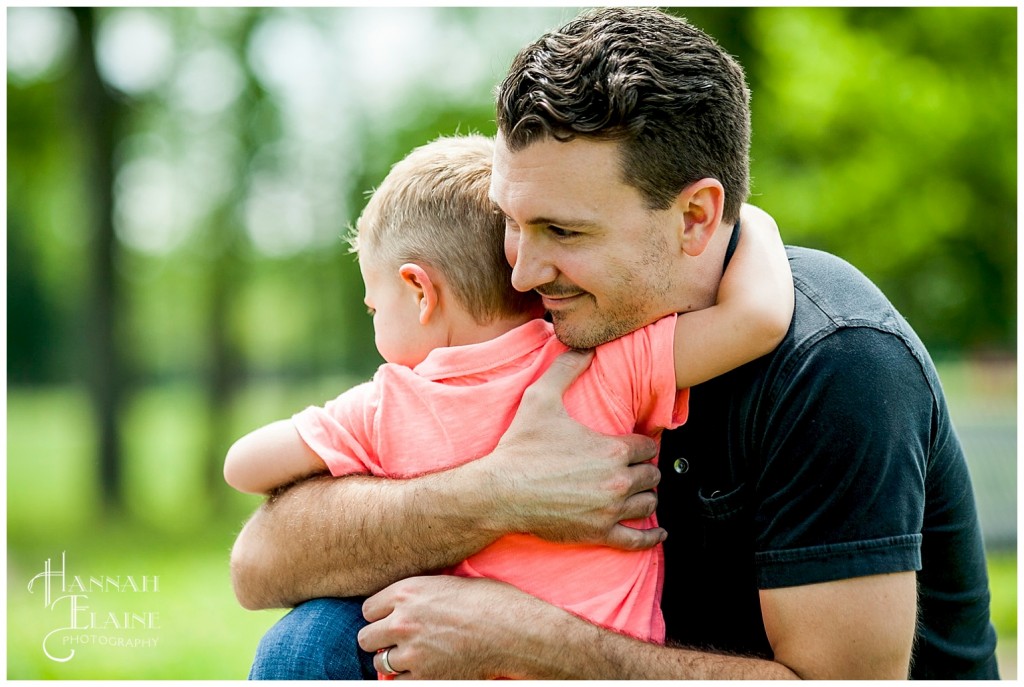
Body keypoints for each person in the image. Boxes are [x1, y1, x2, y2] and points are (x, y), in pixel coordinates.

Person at [231, 7, 999, 680]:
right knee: (316, 638)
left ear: (697, 217)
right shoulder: (541, 324)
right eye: (511, 221)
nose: (522, 269)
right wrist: (501, 490)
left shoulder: (835, 362)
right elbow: (260, 563)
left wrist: (527, 638)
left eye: (563, 231)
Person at [226, 132, 793, 675]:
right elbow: (757, 318)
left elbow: (244, 465)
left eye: (376, 308)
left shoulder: (386, 405)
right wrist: (745, 219)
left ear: (420, 291)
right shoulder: (598, 368)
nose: (377, 329)